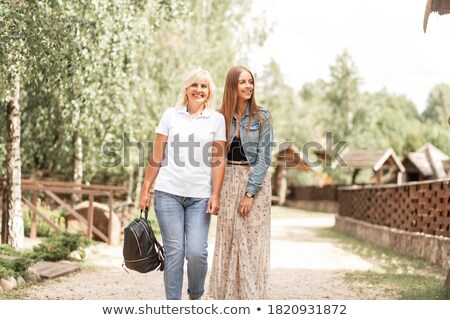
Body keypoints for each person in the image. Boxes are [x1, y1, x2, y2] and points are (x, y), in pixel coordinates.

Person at [139, 68, 226, 300]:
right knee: (175, 251)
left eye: (204, 86)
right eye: (194, 85)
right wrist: (145, 188)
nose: (199, 90)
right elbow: (157, 155)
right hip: (168, 193)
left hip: (200, 196)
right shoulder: (171, 115)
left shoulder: (217, 120)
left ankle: (195, 294)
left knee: (197, 252)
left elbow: (218, 161)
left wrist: (215, 194)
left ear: (209, 92)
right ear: (186, 89)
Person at [208, 66, 274, 299]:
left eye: (251, 82)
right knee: (228, 238)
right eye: (242, 82)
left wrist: (250, 193)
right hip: (227, 183)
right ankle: (226, 296)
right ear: (232, 86)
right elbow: (214, 158)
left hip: (255, 183)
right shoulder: (218, 117)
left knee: (252, 241)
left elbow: (265, 157)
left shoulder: (262, 116)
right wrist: (213, 192)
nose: (248, 86)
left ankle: (251, 297)